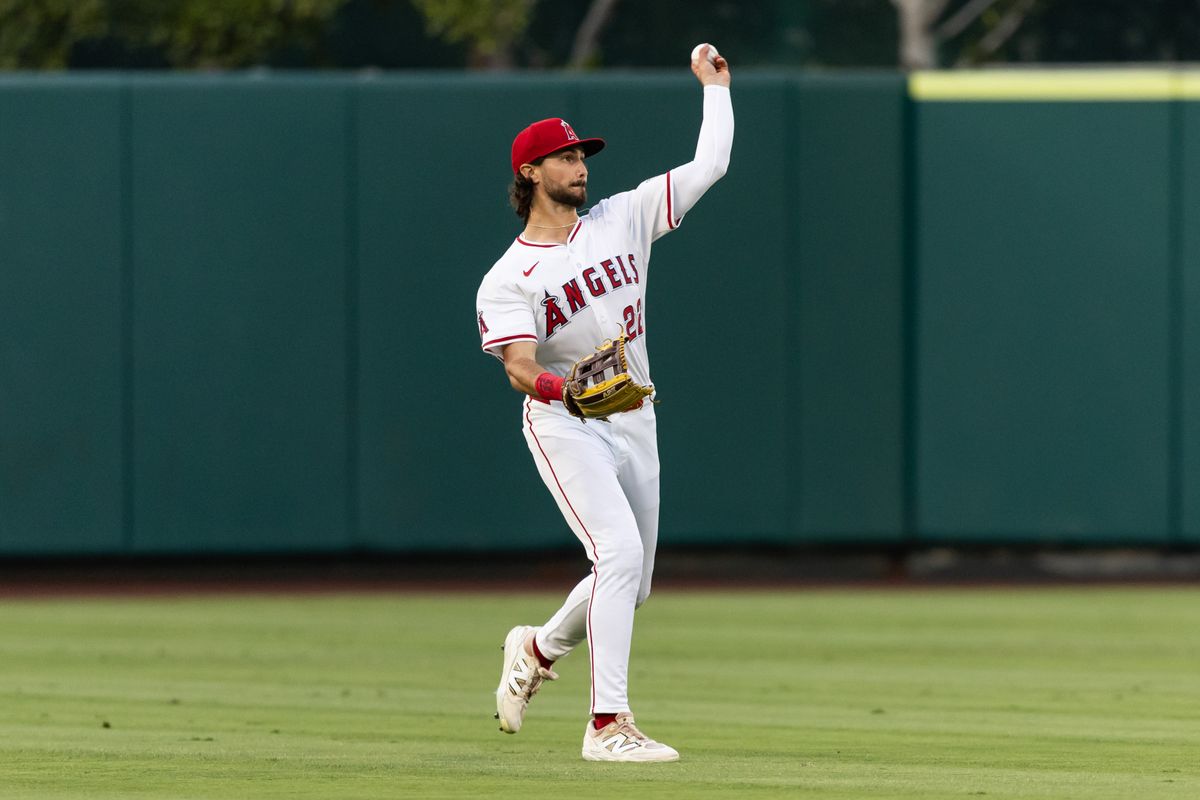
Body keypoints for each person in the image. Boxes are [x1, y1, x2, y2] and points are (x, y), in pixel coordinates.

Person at [475, 45, 733, 763]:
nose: (579, 165)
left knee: (634, 581)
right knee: (615, 554)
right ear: (529, 173)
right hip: (565, 424)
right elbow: (520, 368)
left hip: (634, 416)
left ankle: (536, 645)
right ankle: (606, 726)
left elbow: (709, 166)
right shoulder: (509, 277)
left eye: (581, 154)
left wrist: (716, 90)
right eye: (562, 157)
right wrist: (566, 389)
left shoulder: (622, 219)